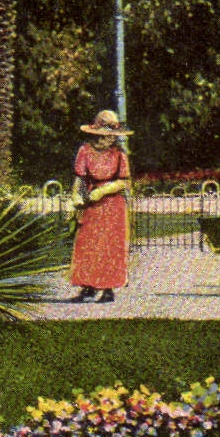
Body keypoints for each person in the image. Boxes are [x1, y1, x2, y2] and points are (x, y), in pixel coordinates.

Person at [68, 110, 133, 303]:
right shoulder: (85, 151)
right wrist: (75, 198)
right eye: (105, 136)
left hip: (112, 204)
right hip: (91, 204)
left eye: (111, 137)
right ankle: (87, 286)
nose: (108, 141)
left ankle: (108, 289)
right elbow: (79, 178)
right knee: (87, 243)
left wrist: (104, 190)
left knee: (110, 245)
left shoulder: (119, 155)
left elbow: (124, 182)